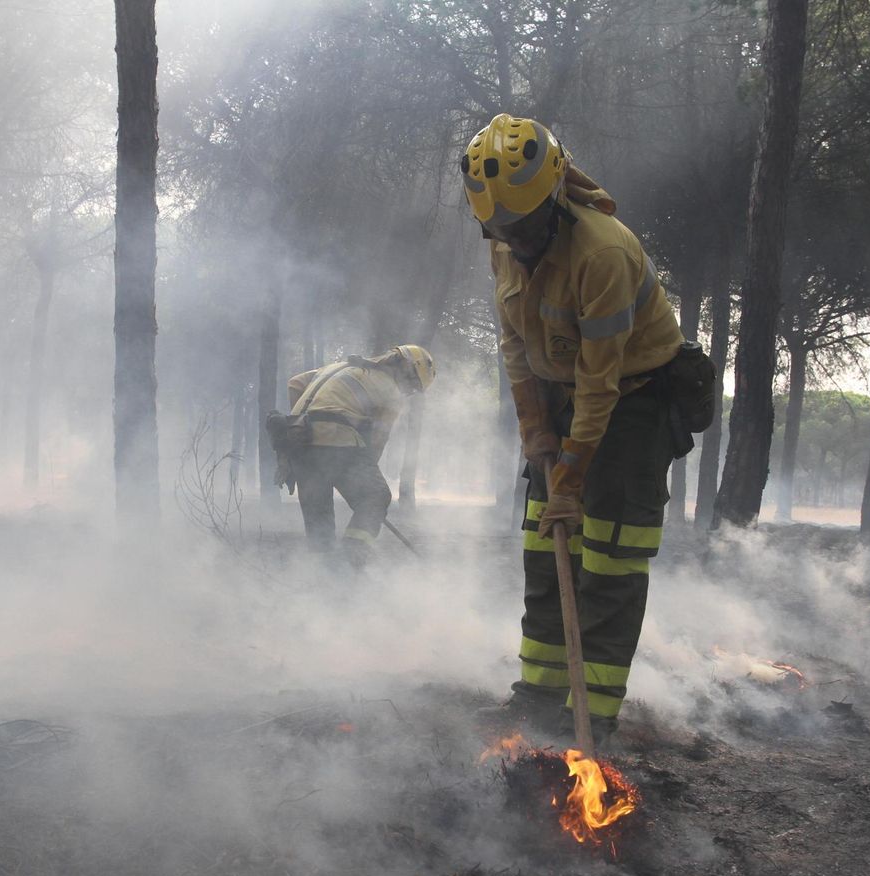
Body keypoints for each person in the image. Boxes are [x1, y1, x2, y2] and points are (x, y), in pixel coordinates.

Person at [462, 114, 684, 748]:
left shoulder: (603, 252)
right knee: (545, 547)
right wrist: (537, 440)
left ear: (555, 197)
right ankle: (537, 696)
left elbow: (602, 379)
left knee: (609, 559)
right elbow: (515, 348)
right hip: (561, 399)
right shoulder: (504, 240)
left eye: (526, 227)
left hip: (633, 405)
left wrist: (573, 471)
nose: (515, 242)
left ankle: (592, 721)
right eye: (499, 229)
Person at [280, 345, 435, 563]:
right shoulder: (390, 391)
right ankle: (350, 560)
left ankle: (322, 575)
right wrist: (362, 472)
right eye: (412, 382)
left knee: (319, 515)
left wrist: (304, 423)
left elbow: (295, 383)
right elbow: (378, 439)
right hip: (339, 441)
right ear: (406, 369)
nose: (408, 389)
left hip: (298, 443)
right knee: (376, 497)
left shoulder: (337, 367)